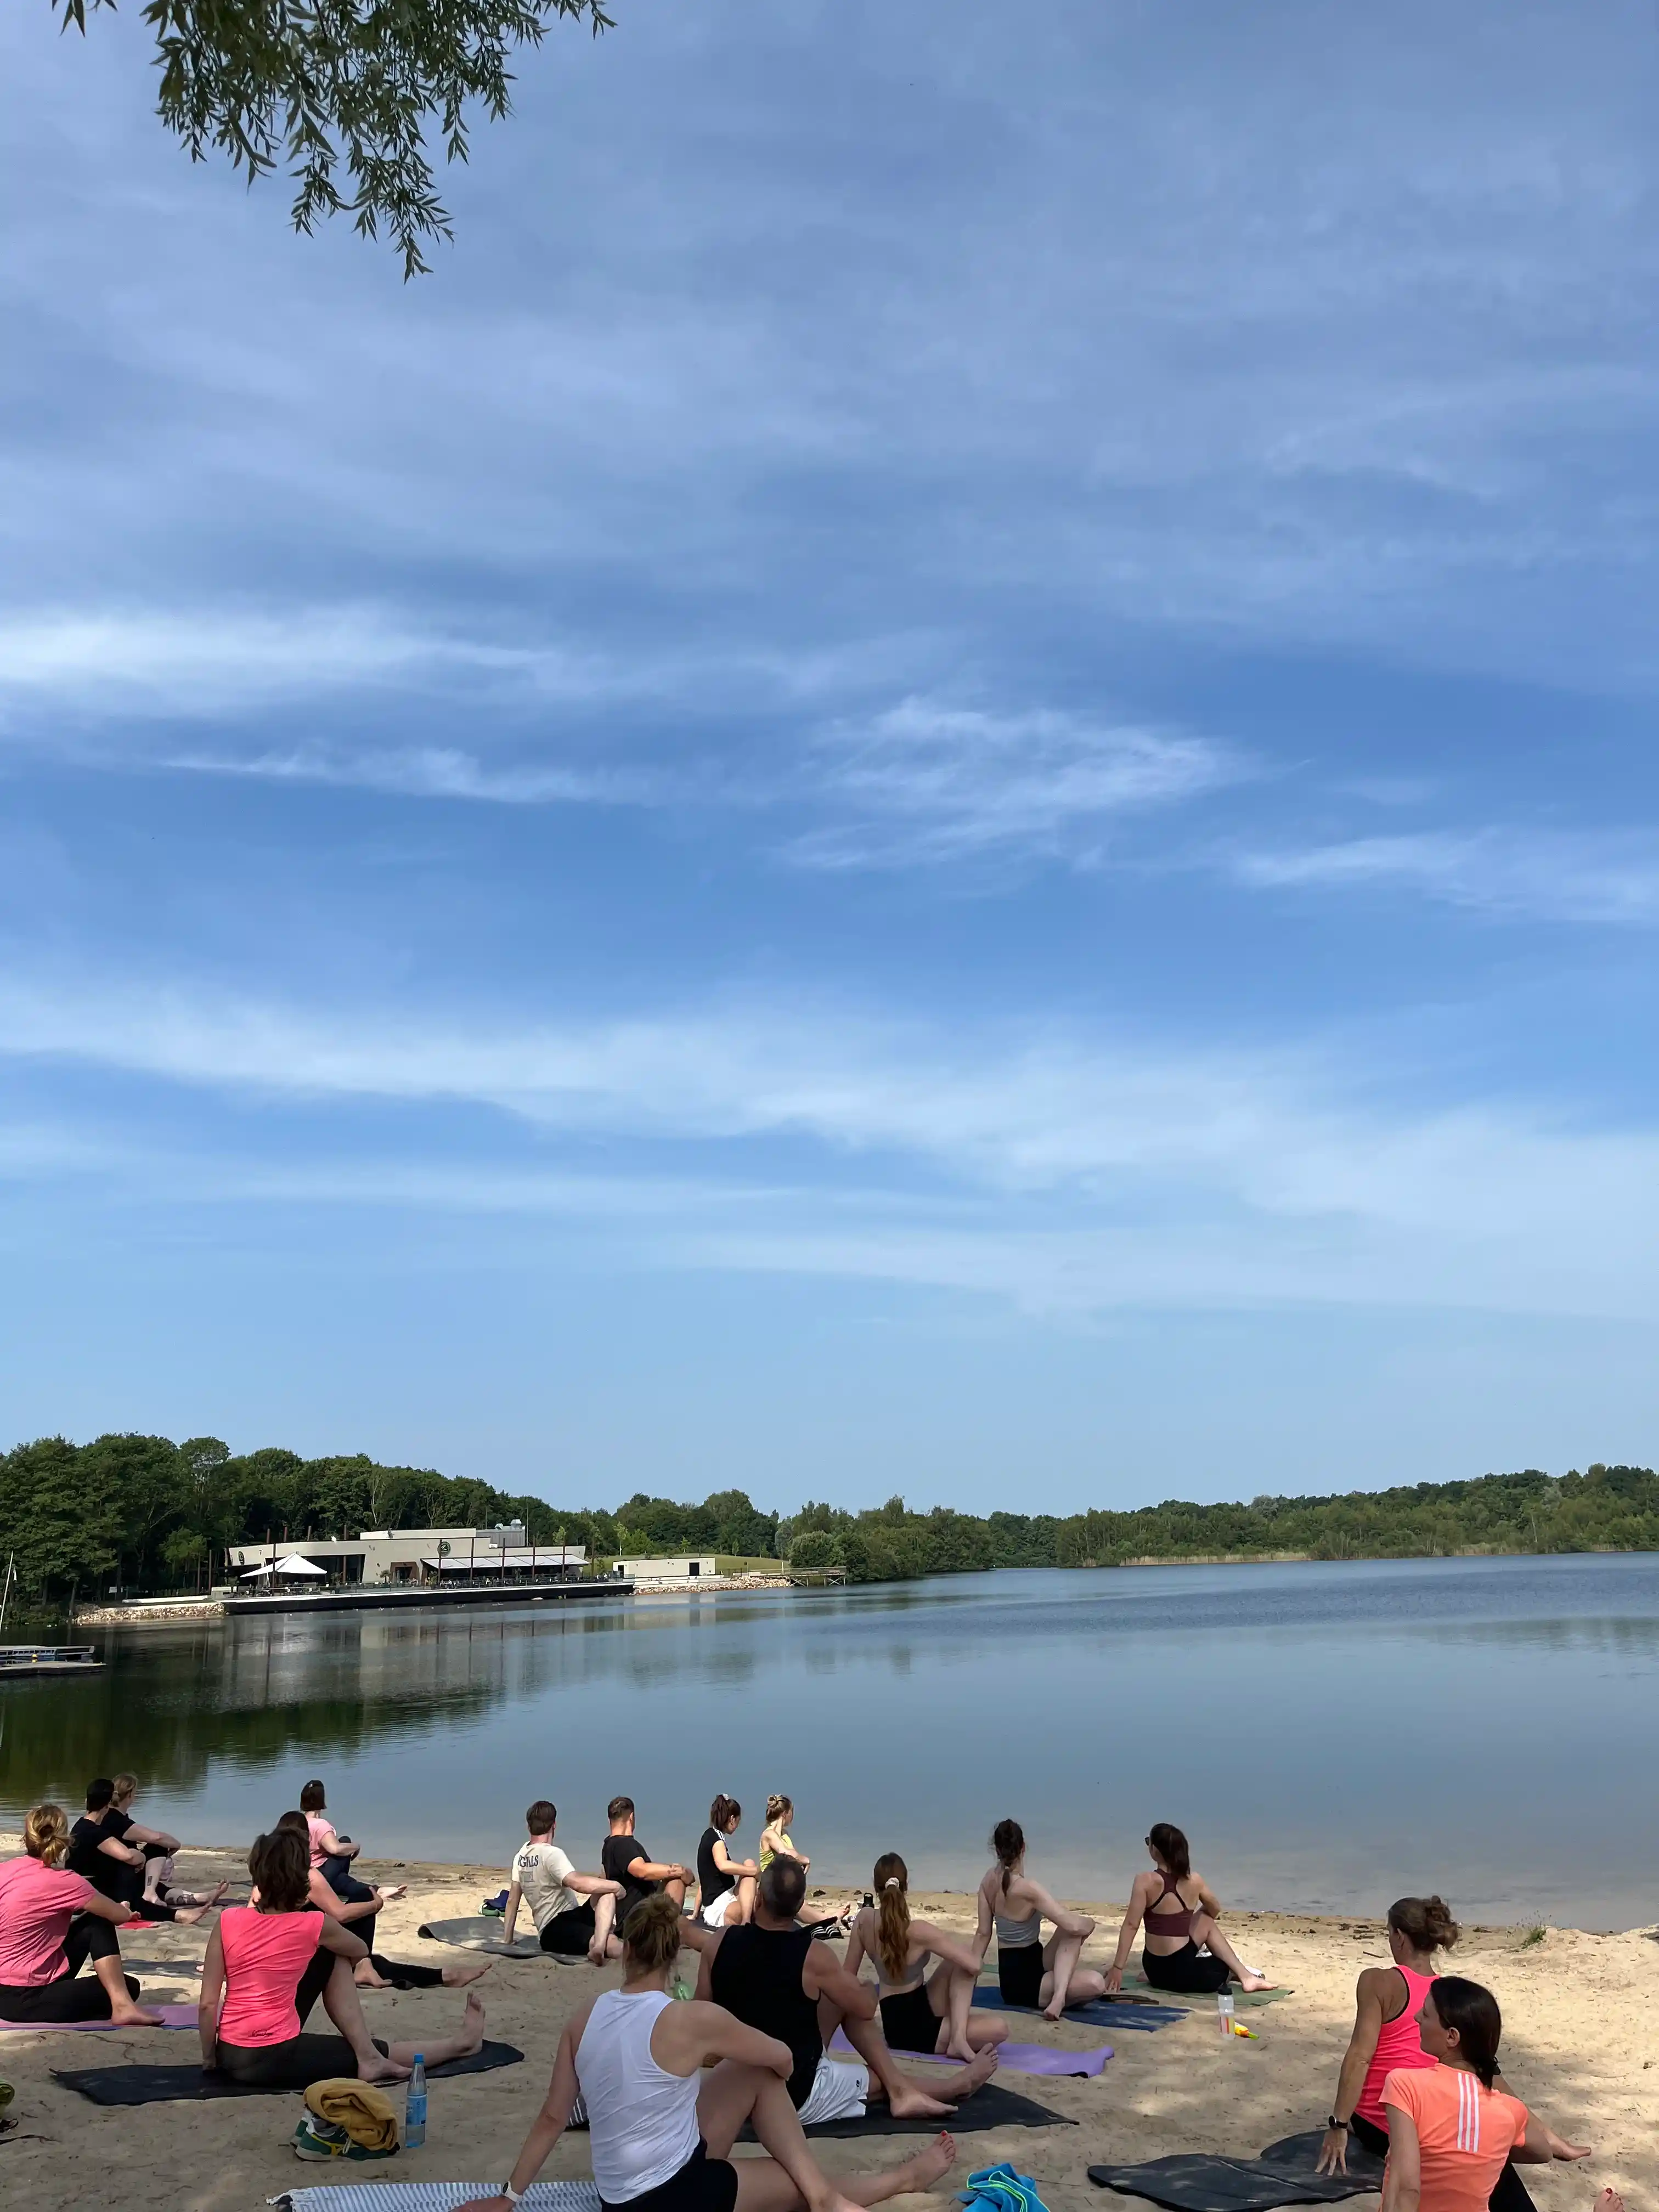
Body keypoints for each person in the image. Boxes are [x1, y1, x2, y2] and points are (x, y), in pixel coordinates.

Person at [450, 1889, 958, 2212]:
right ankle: (889, 2181)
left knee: (750, 2073)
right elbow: (781, 2058)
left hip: (619, 2196)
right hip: (673, 2196)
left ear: (628, 1950)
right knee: (798, 2182)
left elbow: (551, 2117)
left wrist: (509, 2198)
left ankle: (824, 2192)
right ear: (675, 1956)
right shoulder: (690, 2018)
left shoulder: (584, 2016)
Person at [1318, 1910, 1589, 2212]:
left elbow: (1359, 2055)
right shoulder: (1445, 1993)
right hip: (1399, 2111)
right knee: (1483, 2156)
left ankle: (1546, 2140)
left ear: (1399, 1937)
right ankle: (1548, 2141)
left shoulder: (1395, 1985)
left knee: (1480, 2151)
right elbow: (1489, 2071)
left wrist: (1338, 2124)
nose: (1420, 2017)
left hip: (1418, 2106)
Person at [702, 1854, 998, 2126]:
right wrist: (869, 1988)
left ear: (759, 1900)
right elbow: (867, 2009)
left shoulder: (719, 1943)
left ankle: (901, 2090)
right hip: (790, 2092)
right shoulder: (812, 1955)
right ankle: (951, 2087)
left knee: (844, 1994)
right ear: (798, 1905)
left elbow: (702, 2014)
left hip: (734, 2083)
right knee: (875, 2077)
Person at [199, 1824, 487, 2088]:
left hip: (229, 2052)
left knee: (328, 1957)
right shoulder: (313, 1924)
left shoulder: (228, 1920)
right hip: (271, 2057)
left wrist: (211, 2060)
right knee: (374, 2042)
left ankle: (369, 2055)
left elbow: (208, 2004)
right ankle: (460, 2045)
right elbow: (361, 1949)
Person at [1376, 1978, 1584, 2212]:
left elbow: (1407, 2186)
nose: (1416, 2017)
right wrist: (1487, 2152)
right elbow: (1543, 2152)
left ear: (1452, 2037)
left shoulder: (1405, 2084)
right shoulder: (1508, 2110)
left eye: (1425, 2014)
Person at [268, 1809, 483, 1993]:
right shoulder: (306, 1875)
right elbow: (339, 1914)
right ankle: (442, 1976)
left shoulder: (267, 1875)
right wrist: (375, 1905)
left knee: (369, 1959)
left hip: (286, 1946)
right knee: (365, 1930)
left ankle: (443, 1975)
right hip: (300, 1951)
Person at [0, 1802, 162, 2024]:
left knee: (90, 1924)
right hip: (25, 1998)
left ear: (26, 1837)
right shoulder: (67, 1881)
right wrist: (124, 1910)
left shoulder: (5, 1870)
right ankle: (123, 2006)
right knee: (128, 1982)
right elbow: (118, 1916)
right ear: (64, 1839)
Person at [843, 1853, 1009, 2066]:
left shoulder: (864, 1921)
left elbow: (846, 1977)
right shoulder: (919, 1931)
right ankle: (958, 2039)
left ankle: (957, 2037)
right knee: (999, 2028)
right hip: (916, 2031)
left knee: (958, 1961)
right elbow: (975, 1966)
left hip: (896, 2019)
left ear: (876, 1889)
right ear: (906, 1887)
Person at [1103, 1823, 1272, 1996]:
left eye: (1148, 1843)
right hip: (1182, 1971)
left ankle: (1243, 1974)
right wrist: (1187, 1919)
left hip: (1153, 1969)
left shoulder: (1144, 1881)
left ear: (1155, 1850)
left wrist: (1118, 1968)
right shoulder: (1194, 1880)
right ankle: (1245, 1976)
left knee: (1201, 1927)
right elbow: (1214, 1909)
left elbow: (1131, 1925)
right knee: (1214, 1947)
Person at [974, 1818, 1105, 2021]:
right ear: (1023, 1847)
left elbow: (983, 1934)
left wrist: (971, 1974)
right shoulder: (1029, 1888)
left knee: (1068, 1930)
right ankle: (1059, 1997)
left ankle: (1059, 1994)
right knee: (1096, 1983)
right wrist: (1091, 1923)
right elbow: (1074, 1926)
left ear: (997, 1850)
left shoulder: (988, 1881)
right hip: (1028, 1985)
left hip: (1013, 1978)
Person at [66, 1778, 223, 1925]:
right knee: (128, 1873)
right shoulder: (93, 1831)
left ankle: (187, 1904)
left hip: (84, 1888)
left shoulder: (81, 1826)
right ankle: (178, 1915)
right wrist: (141, 1857)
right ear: (107, 1805)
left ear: (87, 1802)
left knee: (137, 1882)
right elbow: (128, 1855)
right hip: (88, 1892)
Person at [502, 1799, 627, 1963]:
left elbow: (513, 1901)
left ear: (528, 1827)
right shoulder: (552, 1854)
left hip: (573, 1916)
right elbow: (577, 1883)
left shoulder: (520, 1857)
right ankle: (639, 1958)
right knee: (610, 1939)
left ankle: (599, 1944)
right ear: (554, 1825)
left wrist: (507, 1940)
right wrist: (617, 1886)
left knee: (606, 1892)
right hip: (554, 1930)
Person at [757, 1797, 850, 1936]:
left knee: (795, 1898)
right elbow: (786, 1853)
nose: (792, 1817)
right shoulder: (769, 1834)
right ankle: (828, 1918)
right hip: (770, 1885)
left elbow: (794, 1854)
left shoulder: (785, 1835)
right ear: (785, 1814)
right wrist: (806, 1860)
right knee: (793, 1902)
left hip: (782, 1883)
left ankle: (826, 1917)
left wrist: (800, 1863)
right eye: (791, 1813)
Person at [603, 1796, 692, 1919]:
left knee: (672, 1875)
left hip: (630, 1915)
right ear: (632, 1818)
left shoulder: (609, 1845)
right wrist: (681, 1871)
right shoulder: (623, 1844)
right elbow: (641, 1871)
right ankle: (670, 1928)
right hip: (640, 1918)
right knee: (676, 1879)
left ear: (609, 1821)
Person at [300, 1777, 377, 1904]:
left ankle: (368, 1889)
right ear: (321, 1798)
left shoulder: (298, 1822)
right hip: (320, 1874)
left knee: (342, 1848)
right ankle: (369, 1890)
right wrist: (356, 1847)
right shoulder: (320, 1824)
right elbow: (334, 1849)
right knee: (345, 1842)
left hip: (306, 1870)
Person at [697, 1796, 760, 1930]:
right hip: (719, 1907)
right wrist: (755, 1872)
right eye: (738, 1821)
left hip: (722, 1900)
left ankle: (747, 1920)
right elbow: (723, 1865)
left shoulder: (709, 1835)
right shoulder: (717, 1840)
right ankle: (746, 1922)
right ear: (732, 1819)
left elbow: (704, 1882)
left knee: (749, 1865)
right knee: (763, 1905)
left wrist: (695, 1913)